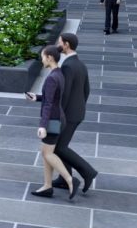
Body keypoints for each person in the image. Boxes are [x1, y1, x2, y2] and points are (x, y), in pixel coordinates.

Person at [25, 45, 78, 200]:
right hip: (58, 118)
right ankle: (47, 186)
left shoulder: (51, 78)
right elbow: (52, 99)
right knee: (46, 153)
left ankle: (70, 180)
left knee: (47, 153)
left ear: (49, 57)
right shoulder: (58, 73)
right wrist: (37, 97)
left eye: (42, 56)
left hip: (53, 120)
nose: (41, 60)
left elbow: (49, 105)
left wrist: (42, 125)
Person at [50, 33, 98, 193]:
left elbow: (65, 93)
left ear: (66, 44)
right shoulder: (80, 64)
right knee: (60, 146)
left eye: (60, 41)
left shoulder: (68, 66)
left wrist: (57, 114)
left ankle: (88, 172)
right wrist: (80, 107)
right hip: (77, 112)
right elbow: (87, 90)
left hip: (68, 115)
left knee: (58, 147)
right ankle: (64, 179)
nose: (58, 43)